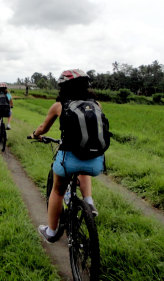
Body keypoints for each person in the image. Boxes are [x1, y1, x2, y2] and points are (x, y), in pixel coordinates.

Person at [30, 69, 105, 243]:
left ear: (63, 87)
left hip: (67, 161)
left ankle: (51, 231)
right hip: (95, 162)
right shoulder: (97, 104)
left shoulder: (59, 105)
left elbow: (43, 128)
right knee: (84, 165)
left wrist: (35, 134)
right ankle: (89, 201)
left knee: (57, 191)